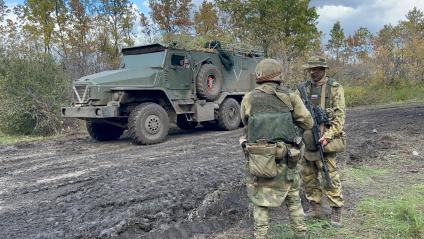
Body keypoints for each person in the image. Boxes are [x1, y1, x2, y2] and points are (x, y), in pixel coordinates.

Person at [240, 58, 314, 239]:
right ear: (279, 76)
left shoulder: (249, 98)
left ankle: (260, 236)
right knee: (294, 199)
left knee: (259, 201)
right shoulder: (290, 97)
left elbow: (245, 122)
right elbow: (308, 122)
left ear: (259, 76)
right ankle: (301, 235)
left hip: (259, 161)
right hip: (286, 160)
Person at [298, 56, 346, 228]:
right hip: (308, 139)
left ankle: (336, 209)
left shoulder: (334, 88)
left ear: (324, 69)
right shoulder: (303, 89)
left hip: (325, 140)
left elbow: (339, 118)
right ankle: (315, 207)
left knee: (329, 175)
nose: (312, 72)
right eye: (310, 69)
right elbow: (295, 114)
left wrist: (329, 135)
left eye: (316, 69)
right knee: (308, 175)